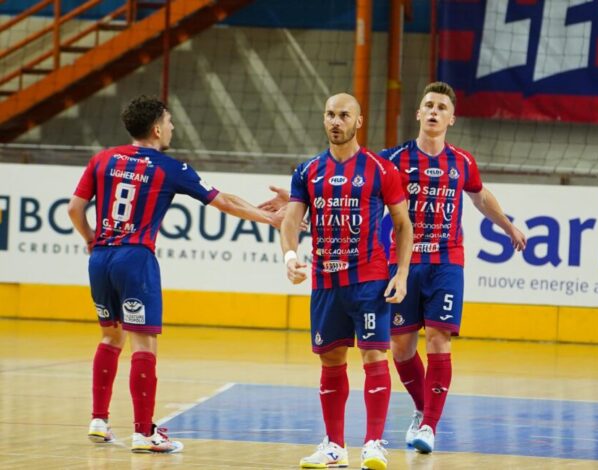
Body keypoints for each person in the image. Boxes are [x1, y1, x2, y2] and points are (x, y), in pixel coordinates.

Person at [68, 95, 288, 453]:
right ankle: (144, 433)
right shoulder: (168, 168)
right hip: (135, 259)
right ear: (157, 129)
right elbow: (224, 201)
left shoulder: (103, 159)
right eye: (169, 121)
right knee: (144, 344)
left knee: (110, 337)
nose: (172, 127)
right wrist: (270, 219)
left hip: (101, 259)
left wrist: (92, 239)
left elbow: (74, 209)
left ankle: (98, 420)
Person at [379, 81, 526, 453]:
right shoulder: (393, 160)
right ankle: (422, 409)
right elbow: (358, 191)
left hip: (447, 260)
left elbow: (480, 197)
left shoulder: (462, 161)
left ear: (452, 119)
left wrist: (508, 226)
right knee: (400, 347)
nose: (434, 111)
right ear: (418, 113)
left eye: (441, 107)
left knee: (438, 338)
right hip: (403, 262)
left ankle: (429, 426)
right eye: (428, 105)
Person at [280, 92, 413, 470]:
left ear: (358, 121)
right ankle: (334, 447)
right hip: (326, 280)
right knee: (331, 359)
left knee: (374, 355)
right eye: (330, 115)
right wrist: (290, 257)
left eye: (343, 115)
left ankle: (373, 444)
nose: (336, 122)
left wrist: (402, 273)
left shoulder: (380, 169)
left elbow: (403, 225)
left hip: (370, 279)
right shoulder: (307, 171)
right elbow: (291, 220)